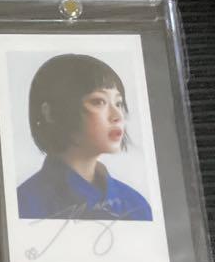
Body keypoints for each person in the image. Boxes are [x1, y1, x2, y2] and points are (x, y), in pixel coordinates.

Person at [17, 53, 152, 221]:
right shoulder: (24, 204)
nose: (117, 115)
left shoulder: (136, 205)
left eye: (118, 103)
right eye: (98, 102)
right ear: (50, 113)